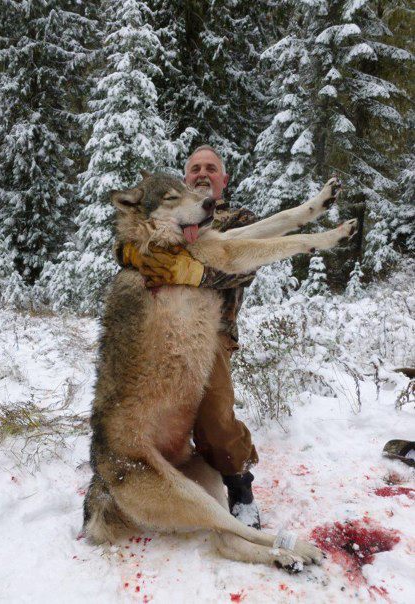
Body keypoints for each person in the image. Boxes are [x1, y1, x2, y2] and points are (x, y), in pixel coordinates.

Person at [117, 144, 263, 529]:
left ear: (223, 179)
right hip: (160, 326)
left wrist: (194, 274)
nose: (203, 173)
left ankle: (238, 480)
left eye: (211, 168)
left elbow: (245, 267)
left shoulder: (234, 218)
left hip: (210, 332)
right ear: (185, 179)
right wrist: (131, 254)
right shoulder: (176, 212)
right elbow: (130, 238)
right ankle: (137, 466)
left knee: (212, 409)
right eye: (195, 167)